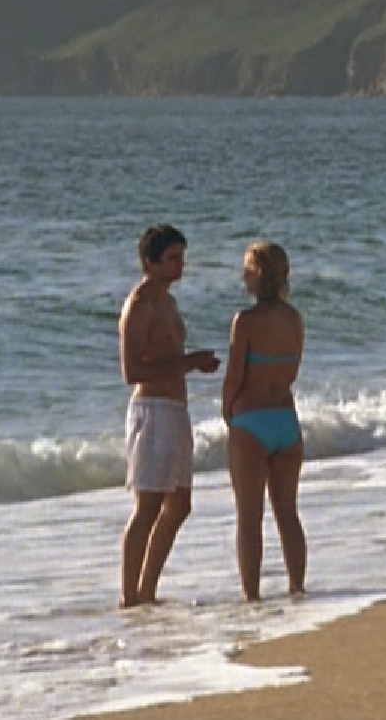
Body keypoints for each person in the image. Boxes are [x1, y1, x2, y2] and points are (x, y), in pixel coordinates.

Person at [118, 224, 220, 608]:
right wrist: (190, 362)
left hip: (176, 409)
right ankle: (130, 595)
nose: (181, 265)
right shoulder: (140, 304)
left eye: (182, 257)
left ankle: (147, 590)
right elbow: (132, 371)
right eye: (172, 258)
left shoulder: (168, 302)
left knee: (179, 504)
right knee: (147, 507)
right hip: (152, 411)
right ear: (150, 262)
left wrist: (191, 364)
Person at [222, 241, 307, 602]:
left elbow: (234, 377)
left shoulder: (245, 322)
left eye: (247, 270)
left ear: (258, 273)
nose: (243, 277)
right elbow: (291, 372)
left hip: (251, 421)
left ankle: (252, 596)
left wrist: (227, 409)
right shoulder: (294, 319)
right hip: (286, 419)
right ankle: (297, 586)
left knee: (249, 516)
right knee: (288, 513)